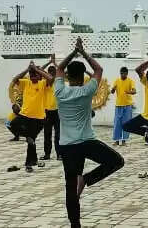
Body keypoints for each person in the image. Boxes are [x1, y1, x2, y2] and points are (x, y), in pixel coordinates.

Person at [55, 38, 124, 228]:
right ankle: (86, 179)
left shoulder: (59, 91)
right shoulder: (87, 90)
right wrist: (83, 52)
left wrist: (73, 53)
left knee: (70, 187)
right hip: (86, 142)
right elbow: (98, 69)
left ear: (68, 76)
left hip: (67, 146)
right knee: (117, 161)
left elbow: (59, 68)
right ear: (82, 76)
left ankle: (75, 225)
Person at [9, 62, 50, 172]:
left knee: (31, 142)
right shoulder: (26, 83)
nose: (33, 77)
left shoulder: (43, 84)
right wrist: (27, 69)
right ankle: (33, 157)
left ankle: (29, 164)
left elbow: (50, 78)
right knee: (13, 124)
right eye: (31, 75)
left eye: (35, 75)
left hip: (39, 118)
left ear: (39, 76)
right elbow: (15, 79)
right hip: (25, 115)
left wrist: (37, 70)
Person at [110, 67, 136, 146]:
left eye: (124, 73)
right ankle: (117, 140)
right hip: (118, 105)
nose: (122, 75)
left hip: (127, 105)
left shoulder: (130, 81)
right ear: (120, 73)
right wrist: (113, 89)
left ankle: (124, 141)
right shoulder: (117, 81)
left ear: (127, 74)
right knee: (117, 123)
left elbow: (134, 91)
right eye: (121, 73)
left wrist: (129, 92)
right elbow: (112, 92)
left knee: (126, 123)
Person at [42, 62, 62, 161]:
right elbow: (40, 70)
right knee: (47, 134)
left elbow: (61, 70)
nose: (52, 75)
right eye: (50, 73)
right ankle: (47, 154)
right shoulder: (44, 83)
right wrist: (49, 62)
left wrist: (55, 63)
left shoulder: (58, 83)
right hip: (47, 112)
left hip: (58, 111)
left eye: (53, 73)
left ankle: (59, 154)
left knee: (58, 134)